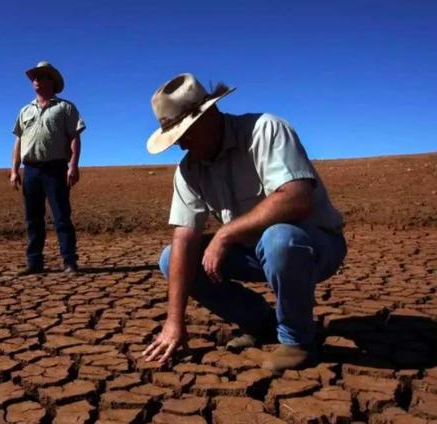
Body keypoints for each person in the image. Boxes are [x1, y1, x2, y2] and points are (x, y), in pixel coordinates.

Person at [141, 73, 346, 373]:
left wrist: (225, 234)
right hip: (253, 253)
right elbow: (184, 237)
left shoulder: (265, 130)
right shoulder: (189, 170)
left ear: (208, 115)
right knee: (171, 259)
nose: (181, 144)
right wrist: (174, 321)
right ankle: (260, 322)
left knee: (279, 239)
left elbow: (298, 197)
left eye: (185, 133)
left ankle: (299, 341)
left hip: (313, 245)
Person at [10, 61, 86, 274]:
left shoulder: (65, 107)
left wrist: (73, 165)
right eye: (34, 77)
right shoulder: (25, 110)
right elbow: (18, 141)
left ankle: (69, 261)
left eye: (41, 76)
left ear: (51, 81)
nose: (36, 80)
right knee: (33, 218)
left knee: (61, 216)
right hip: (31, 170)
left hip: (55, 169)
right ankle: (34, 262)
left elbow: (74, 137)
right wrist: (14, 170)